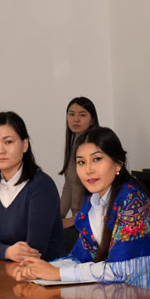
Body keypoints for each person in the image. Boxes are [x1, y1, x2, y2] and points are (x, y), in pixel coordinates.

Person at [14, 126, 150, 288]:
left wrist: (57, 273)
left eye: (97, 159)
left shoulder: (132, 201)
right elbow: (79, 258)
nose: (88, 170)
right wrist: (38, 268)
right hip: (112, 293)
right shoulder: (92, 200)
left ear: (118, 164)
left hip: (144, 296)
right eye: (81, 162)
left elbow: (120, 269)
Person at [0, 111, 62, 261]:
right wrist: (7, 252)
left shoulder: (42, 185)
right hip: (2, 269)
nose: (0, 150)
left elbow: (34, 249)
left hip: (45, 270)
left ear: (24, 145)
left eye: (8, 142)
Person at [58, 98, 99, 250]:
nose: (76, 119)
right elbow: (68, 186)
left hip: (91, 222)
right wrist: (57, 218)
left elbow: (100, 199)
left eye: (82, 115)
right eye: (71, 114)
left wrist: (72, 220)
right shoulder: (74, 144)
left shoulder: (94, 147)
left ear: (92, 120)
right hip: (77, 221)